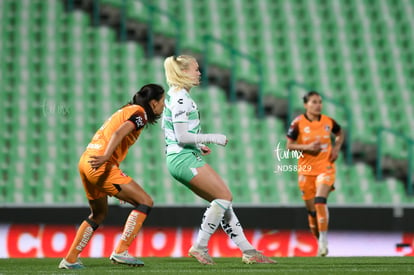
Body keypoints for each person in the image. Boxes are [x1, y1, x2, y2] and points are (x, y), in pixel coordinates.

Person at [162, 55, 276, 265]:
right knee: (224, 196)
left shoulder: (177, 95)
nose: (199, 73)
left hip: (183, 155)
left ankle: (249, 252)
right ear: (183, 72)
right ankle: (200, 246)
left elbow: (177, 134)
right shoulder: (180, 98)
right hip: (182, 158)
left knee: (223, 203)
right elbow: (181, 136)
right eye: (195, 69)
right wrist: (212, 137)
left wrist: (197, 145)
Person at [58, 84, 165, 269]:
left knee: (98, 214)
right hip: (101, 164)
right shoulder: (140, 114)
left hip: (86, 161)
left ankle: (70, 259)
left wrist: (118, 186)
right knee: (145, 201)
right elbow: (118, 132)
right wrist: (107, 157)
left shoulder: (125, 110)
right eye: (163, 101)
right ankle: (121, 251)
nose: (164, 105)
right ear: (153, 103)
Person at [286, 91, 344, 257]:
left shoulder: (328, 121)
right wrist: (308, 148)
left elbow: (340, 133)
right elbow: (289, 146)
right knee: (312, 212)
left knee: (320, 201)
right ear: (306, 105)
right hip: (306, 171)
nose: (318, 105)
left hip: (326, 167)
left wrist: (337, 147)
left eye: (319, 102)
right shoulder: (297, 123)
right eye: (313, 102)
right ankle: (320, 241)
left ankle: (324, 240)